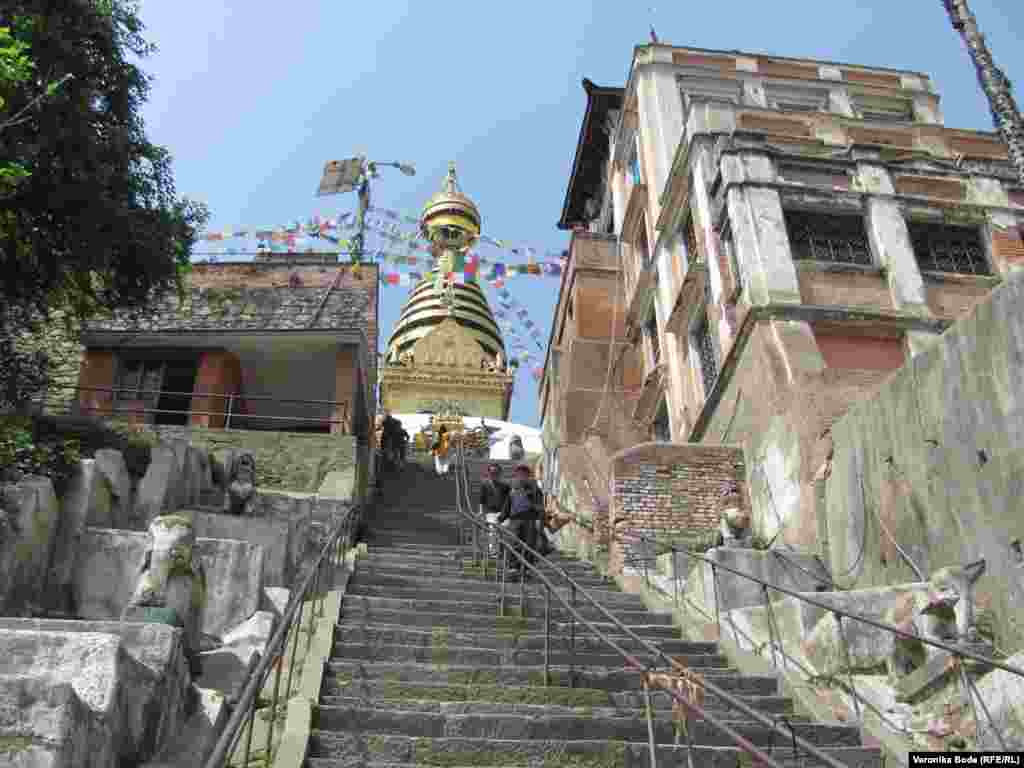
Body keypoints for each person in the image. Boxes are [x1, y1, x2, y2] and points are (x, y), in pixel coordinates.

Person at [497, 464, 544, 578]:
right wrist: (501, 518)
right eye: (519, 474)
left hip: (529, 520)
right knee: (514, 543)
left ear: (528, 475)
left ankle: (526, 569)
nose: (521, 476)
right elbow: (508, 505)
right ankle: (513, 568)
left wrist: (539, 519)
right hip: (515, 520)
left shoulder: (535, 490)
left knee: (529, 545)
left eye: (524, 474)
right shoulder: (513, 490)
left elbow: (540, 506)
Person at [479, 463, 510, 557]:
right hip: (490, 512)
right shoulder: (485, 485)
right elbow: (481, 500)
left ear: (500, 473)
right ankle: (493, 552)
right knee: (493, 530)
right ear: (488, 473)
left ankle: (504, 551)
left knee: (505, 529)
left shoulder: (505, 486)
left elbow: (509, 500)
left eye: (496, 472)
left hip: (503, 512)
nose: (494, 474)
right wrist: (481, 512)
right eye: (491, 472)